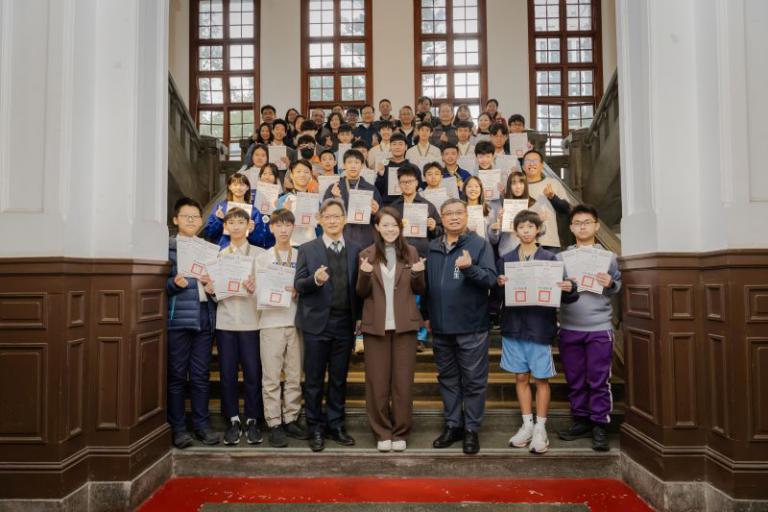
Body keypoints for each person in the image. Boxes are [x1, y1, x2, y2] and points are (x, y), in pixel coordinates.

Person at [497, 210, 578, 454]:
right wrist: (499, 285)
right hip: (513, 326)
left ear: (538, 230)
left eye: (530, 227)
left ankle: (541, 428)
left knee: (541, 378)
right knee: (521, 378)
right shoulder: (506, 259)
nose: (526, 231)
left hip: (540, 325)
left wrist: (569, 288)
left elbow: (566, 294)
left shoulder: (550, 259)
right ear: (515, 231)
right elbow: (497, 296)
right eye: (521, 227)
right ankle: (527, 425)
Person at [426, 198, 497, 455]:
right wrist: (426, 315)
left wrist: (469, 269)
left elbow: (490, 279)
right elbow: (428, 285)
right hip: (440, 327)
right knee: (447, 379)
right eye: (449, 213)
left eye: (459, 212)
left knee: (474, 381)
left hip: (471, 327)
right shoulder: (432, 247)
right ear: (442, 218)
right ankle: (453, 425)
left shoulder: (479, 244)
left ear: (466, 216)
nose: (454, 217)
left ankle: (471, 429)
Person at [294, 199, 363, 452]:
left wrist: (360, 319)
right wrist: (315, 280)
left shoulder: (356, 249)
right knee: (313, 379)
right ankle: (315, 427)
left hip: (345, 323)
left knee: (338, 378)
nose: (332, 221)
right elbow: (299, 284)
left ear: (344, 219)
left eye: (337, 216)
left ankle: (336, 425)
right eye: (327, 216)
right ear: (320, 220)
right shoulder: (307, 249)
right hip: (316, 324)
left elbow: (360, 287)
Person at [356, 208, 426, 452]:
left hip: (404, 325)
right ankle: (382, 431)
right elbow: (361, 292)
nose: (390, 229)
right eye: (385, 225)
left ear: (400, 227)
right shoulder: (365, 254)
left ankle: (401, 431)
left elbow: (419, 289)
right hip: (376, 326)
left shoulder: (411, 252)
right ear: (377, 227)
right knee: (377, 383)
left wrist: (418, 274)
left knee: (403, 383)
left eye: (394, 225)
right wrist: (364, 275)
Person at [556, 204, 622, 452]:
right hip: (569, 326)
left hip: (599, 327)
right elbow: (553, 290)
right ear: (571, 228)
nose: (582, 227)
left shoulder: (609, 258)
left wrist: (611, 283)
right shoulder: (561, 258)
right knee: (575, 378)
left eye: (587, 222)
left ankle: (599, 424)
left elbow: (618, 286)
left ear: (596, 226)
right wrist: (563, 288)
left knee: (598, 379)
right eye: (577, 223)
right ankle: (581, 419)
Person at [166, 198, 221, 449]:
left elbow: (218, 285)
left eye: (195, 217)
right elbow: (156, 285)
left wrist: (212, 285)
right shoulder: (167, 248)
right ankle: (178, 428)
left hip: (204, 316)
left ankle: (202, 425)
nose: (191, 220)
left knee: (200, 375)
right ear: (175, 219)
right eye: (185, 216)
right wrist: (172, 284)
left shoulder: (208, 249)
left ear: (201, 221)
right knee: (177, 376)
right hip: (178, 319)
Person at [254, 208, 311, 448]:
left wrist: (300, 290)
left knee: (294, 375)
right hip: (270, 322)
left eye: (288, 225)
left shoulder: (301, 255)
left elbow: (308, 286)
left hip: (295, 321)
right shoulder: (263, 258)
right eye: (279, 225)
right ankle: (274, 422)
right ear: (271, 228)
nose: (284, 229)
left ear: (293, 227)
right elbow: (256, 290)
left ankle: (291, 418)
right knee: (271, 376)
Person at [214, 207, 266, 446]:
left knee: (253, 373)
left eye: (240, 222)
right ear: (225, 227)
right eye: (231, 222)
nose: (236, 226)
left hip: (252, 322)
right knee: (227, 374)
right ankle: (233, 419)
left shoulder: (260, 255)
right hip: (225, 322)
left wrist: (257, 287)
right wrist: (211, 288)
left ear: (249, 226)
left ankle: (253, 419)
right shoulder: (218, 256)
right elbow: (214, 292)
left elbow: (269, 289)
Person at [325, 149, 382, 248]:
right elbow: (325, 214)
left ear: (362, 165)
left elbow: (381, 217)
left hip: (366, 238)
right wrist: (334, 199)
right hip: (341, 237)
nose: (353, 166)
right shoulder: (335, 188)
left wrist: (377, 212)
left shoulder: (370, 189)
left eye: (356, 162)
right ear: (344, 165)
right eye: (349, 162)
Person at [203, 173, 273, 249]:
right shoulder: (221, 207)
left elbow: (260, 241)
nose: (239, 188)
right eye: (235, 185)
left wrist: (252, 232)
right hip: (223, 250)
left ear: (247, 187)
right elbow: (209, 234)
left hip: (244, 253)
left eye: (242, 185)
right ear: (229, 187)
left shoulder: (254, 212)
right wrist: (219, 220)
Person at [522, 149, 572, 252]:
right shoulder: (518, 186)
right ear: (523, 166)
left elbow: (566, 208)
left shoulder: (553, 183)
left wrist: (552, 197)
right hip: (523, 241)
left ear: (542, 165)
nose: (531, 164)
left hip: (549, 242)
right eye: (528, 161)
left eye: (535, 160)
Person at [390, 163, 442, 258]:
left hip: (422, 255)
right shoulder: (393, 207)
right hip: (398, 253)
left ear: (417, 182)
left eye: (410, 181)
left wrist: (434, 228)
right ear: (399, 184)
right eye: (403, 182)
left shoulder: (428, 206)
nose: (407, 184)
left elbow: (440, 232)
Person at [488, 171, 535, 257]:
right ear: (509, 186)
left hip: (529, 254)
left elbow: (541, 232)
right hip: (507, 253)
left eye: (521, 182)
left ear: (525, 185)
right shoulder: (503, 206)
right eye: (514, 183)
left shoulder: (532, 204)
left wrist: (538, 221)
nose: (518, 186)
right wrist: (497, 226)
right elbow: (494, 240)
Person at [276, 159, 320, 247]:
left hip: (312, 245)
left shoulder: (315, 200)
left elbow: (319, 226)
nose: (302, 175)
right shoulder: (283, 200)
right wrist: (285, 214)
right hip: (291, 246)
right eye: (298, 171)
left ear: (310, 175)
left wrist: (320, 221)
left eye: (306, 172)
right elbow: (277, 227)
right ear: (291, 175)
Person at [374, 132, 411, 205]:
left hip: (406, 204)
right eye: (394, 144)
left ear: (406, 147)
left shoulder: (411, 167)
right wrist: (380, 175)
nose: (397, 147)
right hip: (387, 205)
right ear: (390, 147)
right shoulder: (384, 165)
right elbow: (378, 189)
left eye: (400, 144)